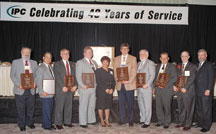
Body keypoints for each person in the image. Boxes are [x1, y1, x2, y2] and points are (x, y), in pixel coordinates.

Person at [10, 47, 38, 131]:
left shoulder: (34, 63)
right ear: (21, 52)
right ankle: (21, 124)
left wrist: (35, 83)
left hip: (31, 89)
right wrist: (19, 85)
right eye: (25, 52)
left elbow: (37, 75)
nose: (27, 54)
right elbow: (12, 75)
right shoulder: (15, 62)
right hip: (20, 89)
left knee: (31, 108)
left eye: (28, 52)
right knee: (20, 108)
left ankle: (30, 123)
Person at [113, 43, 137, 127]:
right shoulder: (116, 59)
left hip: (129, 84)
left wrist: (128, 81)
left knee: (130, 103)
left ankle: (130, 120)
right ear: (120, 50)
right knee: (121, 103)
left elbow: (134, 72)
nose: (124, 50)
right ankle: (122, 120)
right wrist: (118, 79)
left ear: (128, 50)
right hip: (120, 84)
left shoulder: (133, 58)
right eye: (123, 49)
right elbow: (115, 71)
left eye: (126, 49)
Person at [53, 48, 77, 129]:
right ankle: (58, 123)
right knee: (59, 107)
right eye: (64, 53)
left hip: (71, 89)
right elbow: (57, 77)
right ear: (61, 55)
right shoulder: (57, 64)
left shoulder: (73, 64)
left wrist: (75, 85)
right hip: (61, 89)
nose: (66, 55)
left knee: (68, 106)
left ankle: (67, 122)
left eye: (67, 53)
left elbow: (75, 76)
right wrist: (62, 86)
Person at [76, 46, 98, 128]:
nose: (90, 53)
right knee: (83, 105)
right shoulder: (80, 62)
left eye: (91, 52)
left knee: (92, 105)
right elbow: (78, 75)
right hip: (85, 88)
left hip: (93, 87)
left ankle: (91, 120)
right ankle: (83, 122)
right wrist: (82, 85)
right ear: (84, 53)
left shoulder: (94, 63)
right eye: (88, 52)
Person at [173, 51, 196, 131]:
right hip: (179, 91)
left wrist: (185, 87)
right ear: (180, 57)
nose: (184, 57)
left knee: (189, 108)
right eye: (182, 56)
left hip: (188, 91)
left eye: (185, 56)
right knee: (181, 107)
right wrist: (174, 85)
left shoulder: (192, 66)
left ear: (189, 57)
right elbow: (176, 77)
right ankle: (181, 122)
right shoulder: (178, 65)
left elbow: (192, 78)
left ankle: (188, 124)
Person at [154, 52, 177, 129]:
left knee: (167, 107)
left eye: (165, 58)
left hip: (167, 89)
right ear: (160, 58)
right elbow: (155, 77)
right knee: (158, 106)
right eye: (162, 58)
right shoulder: (157, 66)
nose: (163, 59)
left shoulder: (172, 67)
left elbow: (174, 78)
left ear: (168, 58)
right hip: (158, 89)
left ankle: (167, 122)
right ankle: (160, 121)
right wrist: (154, 86)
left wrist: (164, 84)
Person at [194, 49, 215, 132]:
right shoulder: (196, 65)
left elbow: (211, 78)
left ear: (206, 56)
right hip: (197, 91)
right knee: (199, 108)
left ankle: (206, 126)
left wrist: (208, 89)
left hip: (206, 91)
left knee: (206, 109)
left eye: (202, 55)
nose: (200, 56)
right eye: (199, 55)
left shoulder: (209, 65)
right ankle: (200, 123)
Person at [35, 52, 56, 130]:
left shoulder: (50, 67)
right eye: (47, 57)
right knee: (46, 110)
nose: (49, 59)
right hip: (45, 93)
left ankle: (47, 123)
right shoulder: (41, 68)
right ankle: (47, 126)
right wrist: (41, 92)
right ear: (43, 58)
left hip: (50, 93)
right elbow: (38, 81)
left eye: (50, 57)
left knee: (49, 109)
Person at [136, 49, 155, 128]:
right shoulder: (138, 63)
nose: (142, 55)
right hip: (139, 88)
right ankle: (143, 119)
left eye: (144, 54)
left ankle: (147, 122)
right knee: (141, 105)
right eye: (140, 54)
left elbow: (152, 75)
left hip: (146, 88)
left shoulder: (150, 63)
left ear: (147, 55)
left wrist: (147, 84)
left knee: (147, 105)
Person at [95, 56, 115, 127]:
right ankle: (101, 120)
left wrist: (112, 89)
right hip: (101, 91)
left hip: (109, 91)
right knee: (100, 106)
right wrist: (105, 89)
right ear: (101, 63)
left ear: (109, 63)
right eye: (104, 62)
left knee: (108, 106)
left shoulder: (111, 71)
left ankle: (106, 120)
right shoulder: (98, 71)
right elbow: (98, 82)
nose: (105, 63)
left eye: (107, 62)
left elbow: (113, 82)